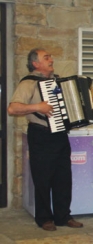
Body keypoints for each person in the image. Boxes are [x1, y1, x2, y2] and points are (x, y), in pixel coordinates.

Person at [8, 48, 84, 231]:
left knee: (63, 178)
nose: (51, 59)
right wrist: (38, 107)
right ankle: (44, 218)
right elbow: (12, 108)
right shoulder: (29, 83)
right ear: (36, 64)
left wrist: (87, 100)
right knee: (42, 178)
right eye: (46, 57)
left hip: (60, 135)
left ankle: (63, 216)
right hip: (40, 135)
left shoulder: (58, 81)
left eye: (50, 56)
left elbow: (72, 106)